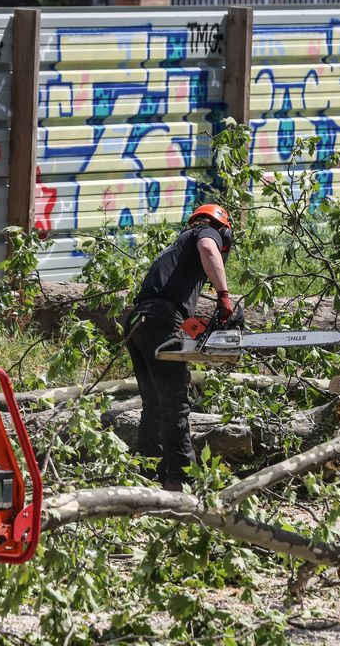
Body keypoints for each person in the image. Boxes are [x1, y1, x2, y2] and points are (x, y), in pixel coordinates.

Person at [125, 203, 235, 491]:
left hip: (139, 321)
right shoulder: (207, 232)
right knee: (175, 406)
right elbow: (210, 250)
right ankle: (181, 481)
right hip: (161, 319)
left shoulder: (177, 252)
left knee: (154, 404)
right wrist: (224, 296)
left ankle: (147, 475)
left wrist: (187, 342)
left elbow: (173, 312)